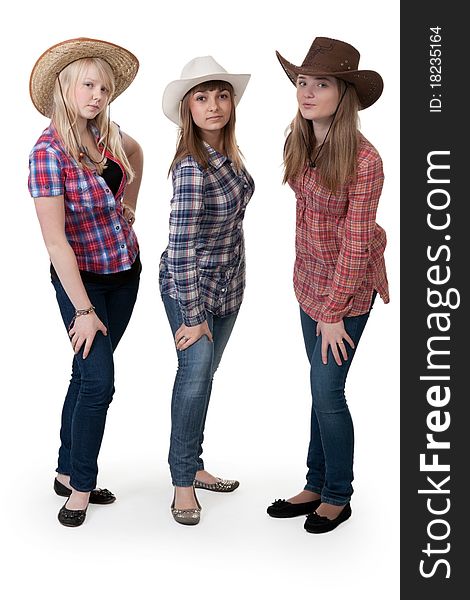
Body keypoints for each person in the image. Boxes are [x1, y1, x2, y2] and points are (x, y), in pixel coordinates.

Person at [267, 37, 389, 533]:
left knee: (328, 391)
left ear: (345, 94)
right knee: (319, 391)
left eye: (322, 84)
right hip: (310, 285)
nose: (308, 91)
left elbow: (356, 244)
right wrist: (314, 300)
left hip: (347, 293)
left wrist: (334, 313)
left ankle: (339, 494)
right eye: (303, 82)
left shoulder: (364, 159)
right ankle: (316, 482)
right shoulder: (299, 141)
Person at [28, 38, 143, 527]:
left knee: (84, 372)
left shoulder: (108, 134)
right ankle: (80, 487)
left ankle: (65, 467)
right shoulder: (47, 152)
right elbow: (56, 245)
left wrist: (129, 209)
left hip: (124, 271)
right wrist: (82, 310)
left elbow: (134, 156)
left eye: (104, 87)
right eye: (88, 86)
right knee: (99, 381)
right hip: (82, 284)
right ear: (66, 88)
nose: (97, 95)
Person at [160, 56, 254, 525]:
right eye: (202, 97)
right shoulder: (192, 168)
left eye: (221, 95)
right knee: (194, 378)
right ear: (188, 109)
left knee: (204, 380)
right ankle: (182, 483)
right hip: (189, 290)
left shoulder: (229, 156)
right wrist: (193, 317)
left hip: (228, 287)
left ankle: (194, 465)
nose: (214, 105)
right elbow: (180, 251)